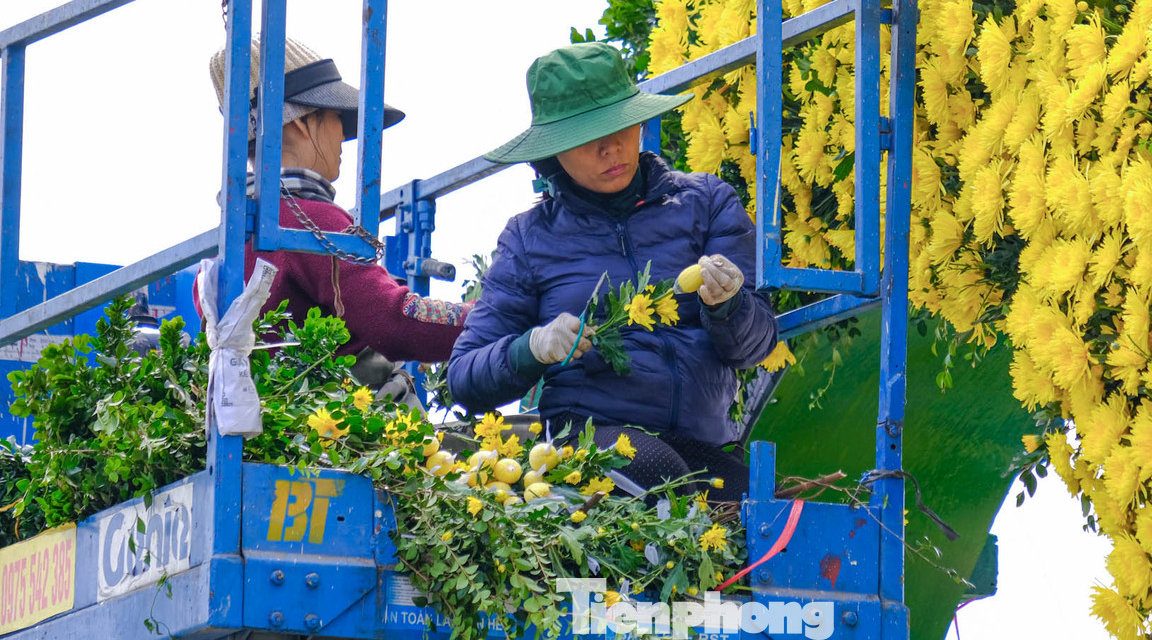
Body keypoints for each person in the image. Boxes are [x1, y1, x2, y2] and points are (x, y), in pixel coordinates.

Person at [447, 43, 778, 502]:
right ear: (553, 153)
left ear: (639, 122)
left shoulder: (706, 202)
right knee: (656, 469)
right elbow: (464, 377)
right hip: (590, 440)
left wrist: (730, 307)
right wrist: (532, 348)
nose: (610, 148)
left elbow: (755, 348)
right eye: (586, 138)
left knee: (771, 514)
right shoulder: (528, 238)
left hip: (703, 444)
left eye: (619, 126)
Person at [207, 38, 469, 406]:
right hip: (335, 425)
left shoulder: (229, 238)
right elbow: (392, 321)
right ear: (301, 123)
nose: (344, 135)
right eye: (335, 117)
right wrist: (488, 316)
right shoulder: (312, 221)